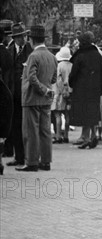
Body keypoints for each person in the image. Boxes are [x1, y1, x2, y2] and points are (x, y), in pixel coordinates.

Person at [16, 25, 57, 172]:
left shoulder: (33, 56)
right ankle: (46, 161)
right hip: (46, 99)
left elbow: (32, 78)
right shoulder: (52, 56)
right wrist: (46, 88)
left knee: (30, 131)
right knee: (45, 130)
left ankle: (32, 162)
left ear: (31, 39)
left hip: (32, 98)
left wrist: (41, 89)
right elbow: (53, 78)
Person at [69, 31, 102, 149]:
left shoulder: (80, 56)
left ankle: (86, 138)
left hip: (81, 89)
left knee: (84, 113)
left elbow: (73, 74)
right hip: (95, 89)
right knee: (92, 112)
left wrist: (72, 84)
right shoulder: (97, 55)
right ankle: (93, 135)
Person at [6, 23, 33, 168]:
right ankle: (19, 157)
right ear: (14, 38)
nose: (20, 39)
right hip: (13, 93)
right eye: (17, 37)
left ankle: (30, 157)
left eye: (22, 36)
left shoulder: (31, 50)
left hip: (27, 94)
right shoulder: (9, 50)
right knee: (15, 126)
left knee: (28, 126)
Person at [52, 46, 73, 144]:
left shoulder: (59, 66)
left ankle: (58, 136)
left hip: (60, 93)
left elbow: (58, 80)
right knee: (67, 115)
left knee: (58, 115)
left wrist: (62, 90)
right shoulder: (72, 65)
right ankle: (66, 136)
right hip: (70, 91)